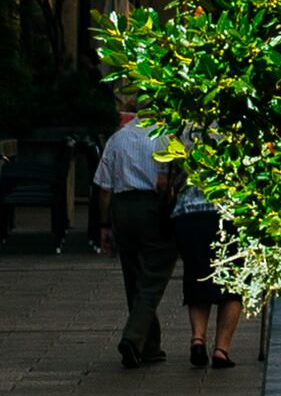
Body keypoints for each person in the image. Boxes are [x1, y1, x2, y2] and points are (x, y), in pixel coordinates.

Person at [94, 96, 176, 366]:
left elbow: (104, 187)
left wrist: (105, 225)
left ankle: (149, 346)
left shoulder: (118, 139)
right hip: (152, 207)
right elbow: (168, 182)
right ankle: (132, 337)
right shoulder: (166, 137)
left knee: (134, 275)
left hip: (122, 207)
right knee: (154, 276)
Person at [169, 166, 239, 372]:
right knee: (232, 281)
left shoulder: (180, 134)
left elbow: (165, 178)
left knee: (196, 275)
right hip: (228, 212)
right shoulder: (238, 135)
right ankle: (221, 350)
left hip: (188, 213)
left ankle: (198, 338)